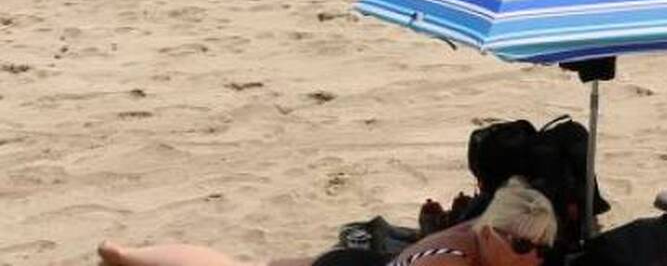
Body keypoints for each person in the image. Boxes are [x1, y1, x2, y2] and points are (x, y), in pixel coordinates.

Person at [96, 177, 556, 266]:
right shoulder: (451, 261)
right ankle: (124, 255)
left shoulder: (482, 240)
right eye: (523, 246)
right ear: (492, 234)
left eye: (543, 250)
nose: (535, 256)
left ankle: (126, 257)